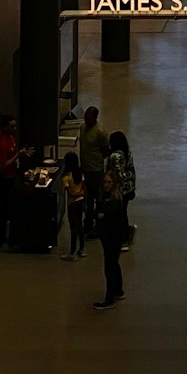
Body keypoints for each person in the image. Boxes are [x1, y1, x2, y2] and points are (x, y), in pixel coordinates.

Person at [93, 172, 127, 310]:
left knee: (109, 267)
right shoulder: (110, 198)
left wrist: (101, 215)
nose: (106, 185)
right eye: (105, 182)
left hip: (112, 237)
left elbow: (103, 214)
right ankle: (118, 291)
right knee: (114, 264)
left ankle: (109, 298)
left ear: (114, 184)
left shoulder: (113, 201)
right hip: (110, 237)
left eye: (109, 182)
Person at [0, 115, 19, 251]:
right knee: (3, 212)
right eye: (12, 126)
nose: (14, 129)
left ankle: (11, 239)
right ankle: (1, 241)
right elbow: (3, 165)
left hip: (12, 177)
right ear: (5, 127)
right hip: (3, 181)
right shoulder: (1, 143)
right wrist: (17, 156)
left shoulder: (11, 139)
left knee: (12, 211)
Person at [81, 106, 110, 234]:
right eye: (86, 116)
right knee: (87, 198)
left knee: (98, 198)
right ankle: (88, 223)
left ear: (95, 118)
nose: (87, 119)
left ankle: (99, 225)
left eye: (89, 117)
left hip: (96, 170)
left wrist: (96, 160)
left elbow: (105, 151)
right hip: (85, 169)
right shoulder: (82, 128)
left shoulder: (100, 132)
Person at [107, 129, 137, 249]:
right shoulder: (127, 153)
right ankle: (125, 233)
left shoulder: (115, 156)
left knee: (119, 214)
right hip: (129, 188)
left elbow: (118, 175)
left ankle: (122, 239)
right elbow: (131, 171)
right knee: (123, 212)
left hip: (120, 190)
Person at [61, 152, 86, 259]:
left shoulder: (66, 177)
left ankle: (72, 252)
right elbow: (84, 188)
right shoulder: (80, 173)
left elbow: (70, 192)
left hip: (72, 204)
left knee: (73, 228)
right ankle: (82, 248)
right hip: (80, 202)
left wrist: (76, 194)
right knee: (80, 225)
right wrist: (81, 193)